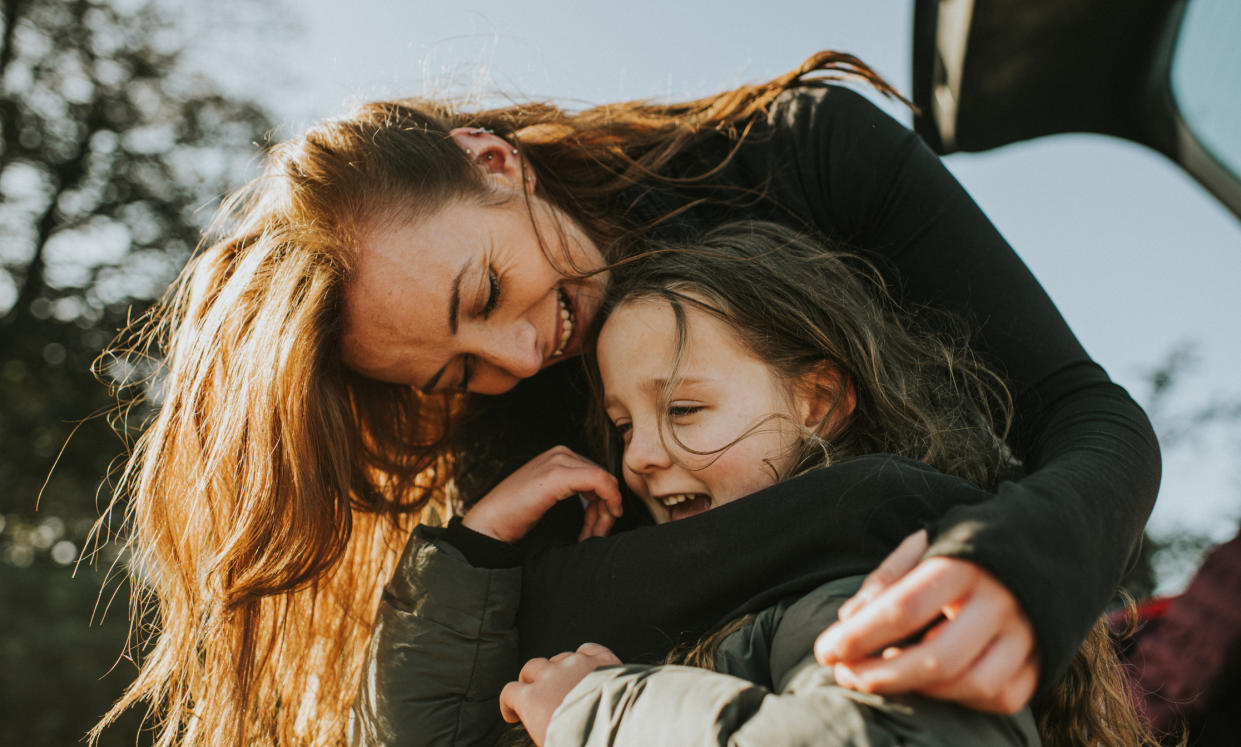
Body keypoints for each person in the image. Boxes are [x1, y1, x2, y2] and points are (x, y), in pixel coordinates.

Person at [92, 52, 1160, 746]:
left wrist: (1017, 562)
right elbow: (543, 634)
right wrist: (892, 505)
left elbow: (1087, 422)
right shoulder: (512, 403)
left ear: (494, 161)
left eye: (487, 290)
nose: (519, 355)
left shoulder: (802, 153)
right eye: (453, 373)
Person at [474, 221, 1145, 747]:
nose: (638, 456)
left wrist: (596, 709)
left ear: (817, 402)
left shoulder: (862, 587)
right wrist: (464, 555)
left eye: (682, 409)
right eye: (622, 426)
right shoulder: (742, 604)